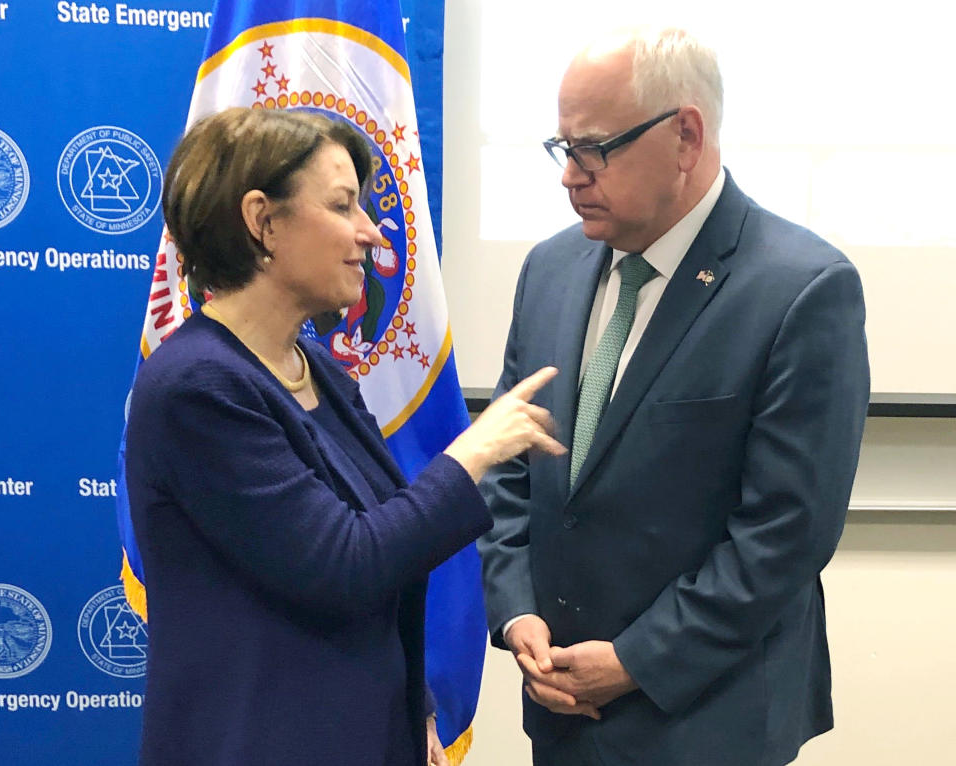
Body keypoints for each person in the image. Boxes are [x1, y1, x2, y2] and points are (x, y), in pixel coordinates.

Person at [477, 26, 870, 766]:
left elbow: (784, 535)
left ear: (685, 135)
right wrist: (515, 610)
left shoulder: (801, 290)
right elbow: (509, 460)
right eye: (562, 149)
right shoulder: (551, 269)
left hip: (704, 720)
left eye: (592, 148)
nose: (570, 176)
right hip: (560, 712)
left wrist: (634, 661)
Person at [124, 107, 564, 766]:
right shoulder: (196, 388)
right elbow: (344, 565)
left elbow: (380, 543)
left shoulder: (318, 368)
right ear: (262, 222)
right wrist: (471, 454)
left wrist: (412, 711)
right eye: (344, 205)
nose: (371, 232)